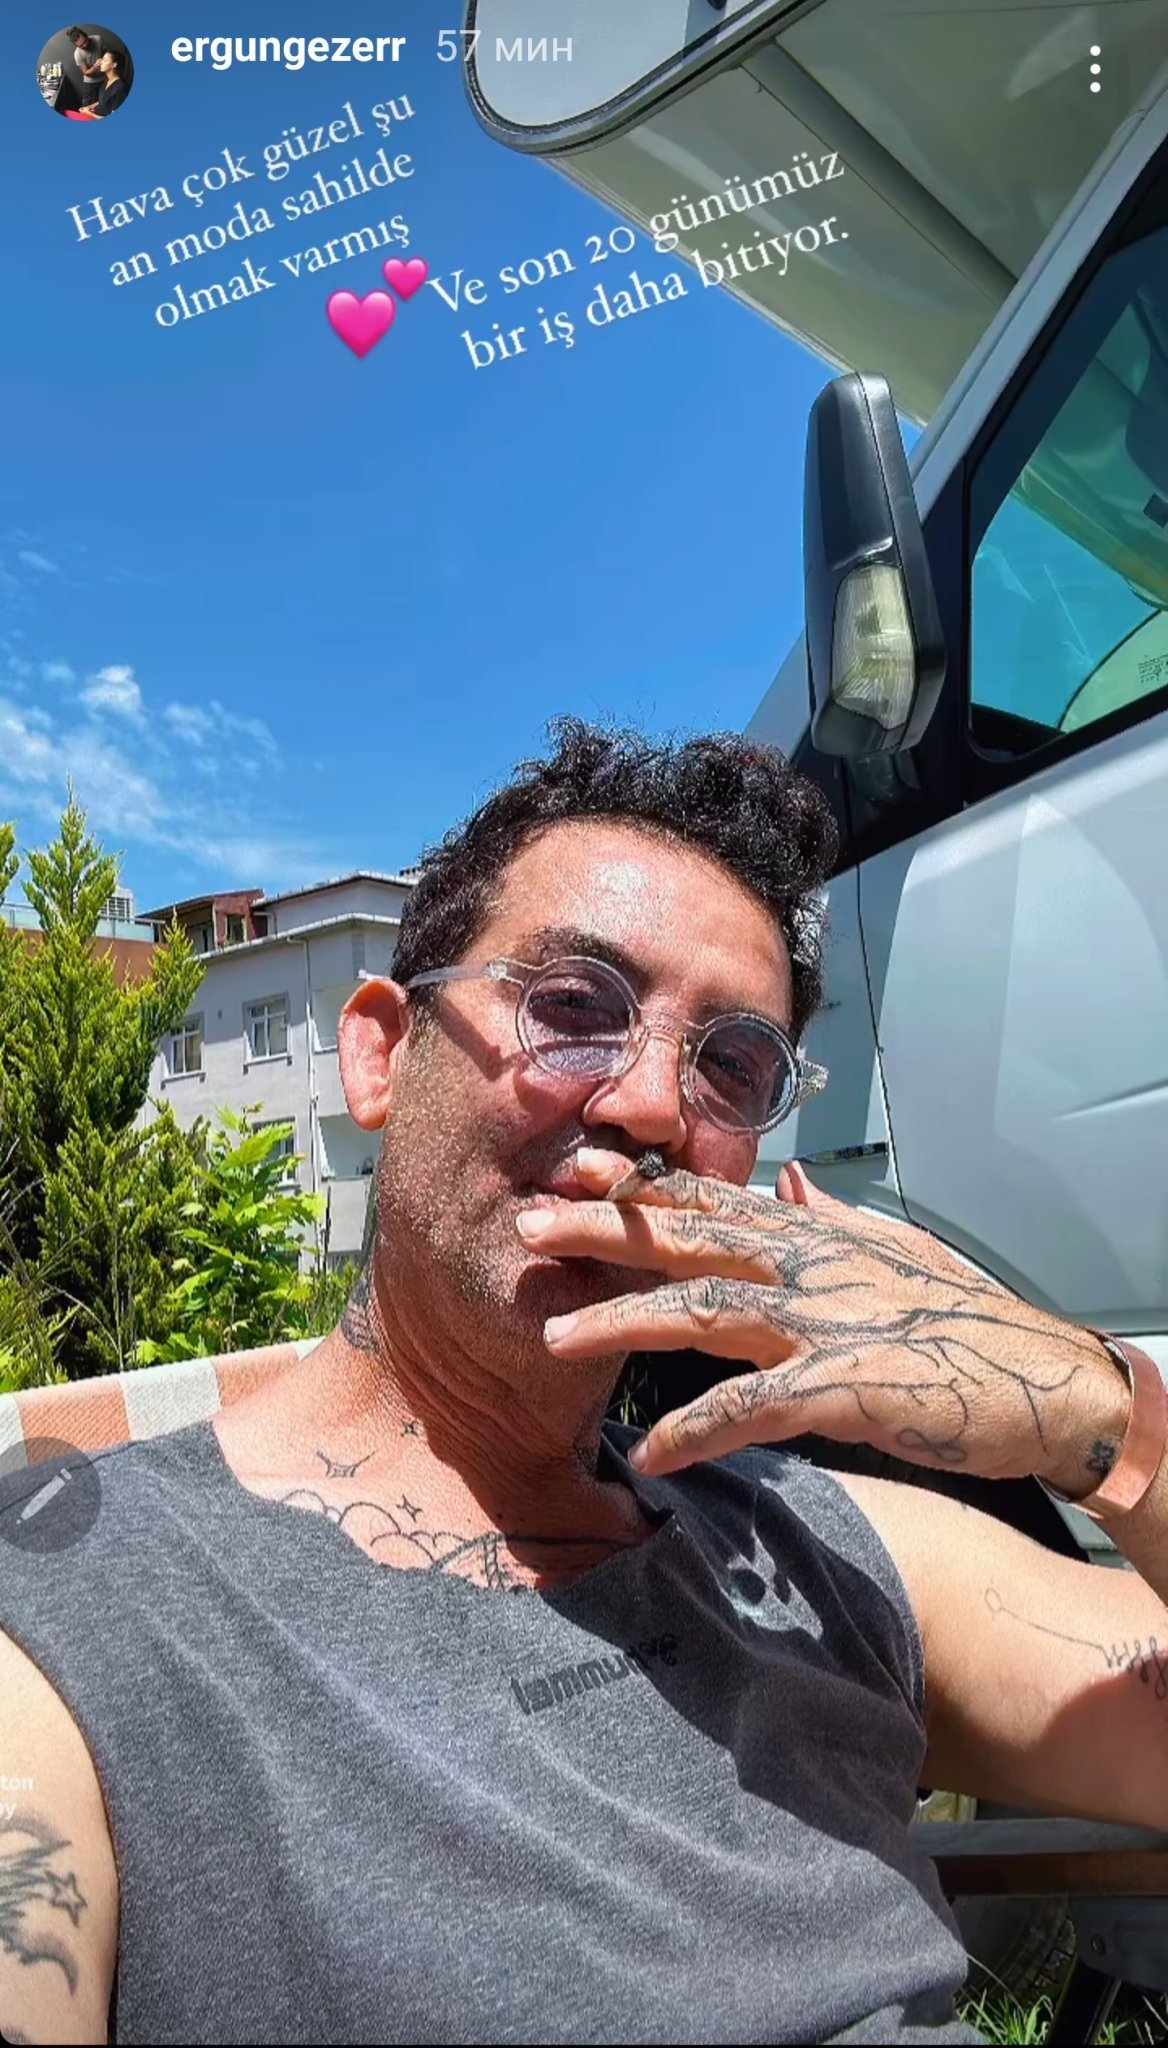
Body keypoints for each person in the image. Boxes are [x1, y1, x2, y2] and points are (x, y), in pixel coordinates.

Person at [1, 719, 1165, 2047]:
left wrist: (1106, 1420)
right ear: (382, 1053)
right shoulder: (80, 1612)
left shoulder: (817, 1543)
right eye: (571, 1004)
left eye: (731, 1062)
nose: (653, 1105)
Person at [74, 46, 130, 121]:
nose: (101, 62)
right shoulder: (107, 80)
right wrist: (89, 107)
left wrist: (89, 114)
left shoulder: (120, 88)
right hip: (95, 112)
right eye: (102, 59)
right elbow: (102, 101)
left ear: (113, 65)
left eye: (105, 60)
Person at [66, 24, 102, 106]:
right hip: (90, 82)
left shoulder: (98, 39)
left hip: (104, 78)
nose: (85, 45)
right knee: (87, 106)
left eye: (85, 41)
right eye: (81, 45)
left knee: (103, 105)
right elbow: (86, 72)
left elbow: (106, 53)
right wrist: (96, 66)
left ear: (86, 35)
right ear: (76, 46)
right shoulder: (77, 54)